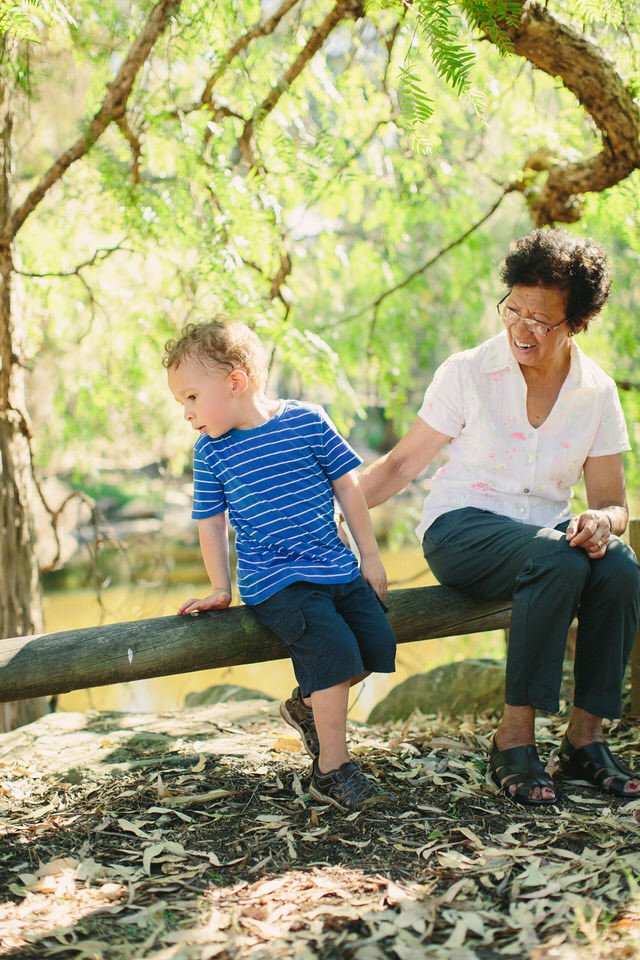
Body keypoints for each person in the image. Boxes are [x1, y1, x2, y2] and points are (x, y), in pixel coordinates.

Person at [357, 227, 640, 807]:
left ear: (577, 322)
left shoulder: (597, 392)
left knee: (620, 568)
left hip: (547, 540)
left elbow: (616, 504)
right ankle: (514, 739)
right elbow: (402, 463)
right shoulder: (467, 372)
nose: (521, 328)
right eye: (513, 309)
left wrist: (602, 524)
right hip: (462, 529)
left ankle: (585, 741)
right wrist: (329, 518)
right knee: (557, 558)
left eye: (541, 319)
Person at [163, 318, 396, 811]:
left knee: (374, 645)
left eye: (190, 397)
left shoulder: (308, 421)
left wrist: (370, 557)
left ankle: (306, 705)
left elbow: (348, 488)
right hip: (276, 580)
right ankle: (333, 772)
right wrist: (220, 587)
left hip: (336, 566)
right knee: (332, 655)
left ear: (236, 382)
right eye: (181, 402)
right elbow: (210, 524)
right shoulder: (211, 452)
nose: (185, 413)